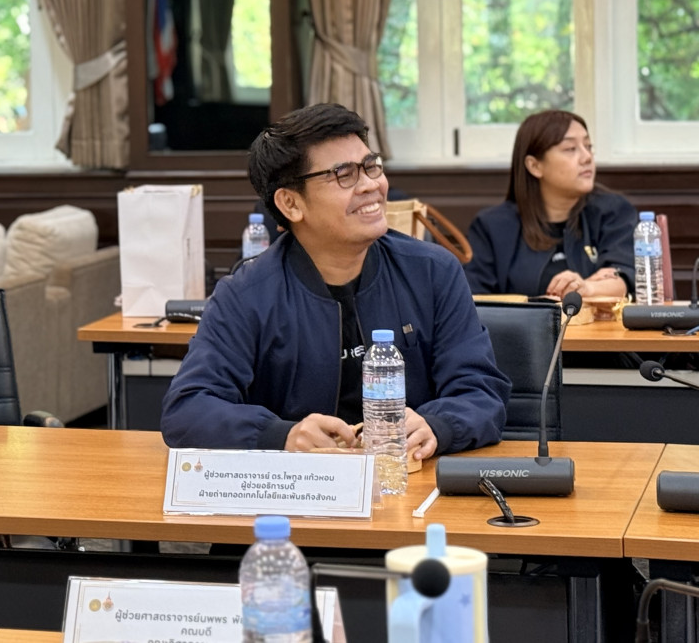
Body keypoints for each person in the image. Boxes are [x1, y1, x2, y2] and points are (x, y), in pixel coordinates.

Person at [159, 103, 510, 457]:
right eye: (344, 174)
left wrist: (438, 425)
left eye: (371, 166)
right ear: (291, 204)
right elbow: (187, 410)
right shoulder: (246, 295)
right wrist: (281, 435)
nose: (371, 185)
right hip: (298, 485)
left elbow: (481, 392)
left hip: (409, 478)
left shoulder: (433, 272)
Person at [464, 110, 636, 300]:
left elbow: (625, 277)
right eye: (570, 149)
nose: (587, 157)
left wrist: (587, 289)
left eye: (588, 146)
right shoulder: (492, 227)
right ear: (534, 166)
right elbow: (475, 300)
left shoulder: (613, 211)